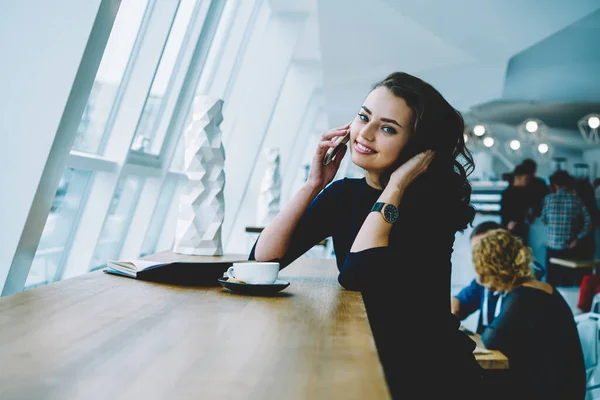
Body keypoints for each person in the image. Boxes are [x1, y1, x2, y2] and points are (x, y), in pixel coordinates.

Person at [249, 72, 483, 398]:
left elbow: (357, 275)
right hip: (370, 358)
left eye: (388, 128)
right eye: (363, 117)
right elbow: (262, 261)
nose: (366, 134)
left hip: (431, 373)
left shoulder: (432, 206)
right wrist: (314, 184)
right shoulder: (342, 195)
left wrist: (398, 185)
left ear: (416, 146)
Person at [473, 229, 586, 400]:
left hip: (551, 392)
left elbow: (491, 338)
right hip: (565, 388)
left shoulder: (521, 297)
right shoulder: (540, 288)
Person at [452, 221, 545, 334]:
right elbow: (458, 302)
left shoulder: (524, 286)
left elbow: (494, 338)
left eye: (484, 250)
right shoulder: (483, 281)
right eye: (476, 252)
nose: (479, 258)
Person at [542, 170, 592, 286]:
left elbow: (544, 220)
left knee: (551, 282)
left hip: (552, 246)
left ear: (555, 185)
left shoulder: (548, 199)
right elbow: (589, 222)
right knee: (567, 281)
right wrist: (578, 238)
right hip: (569, 246)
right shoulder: (576, 200)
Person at [500, 164, 532, 244]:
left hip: (521, 228)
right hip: (511, 229)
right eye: (526, 178)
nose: (528, 181)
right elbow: (504, 213)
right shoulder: (507, 193)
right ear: (518, 177)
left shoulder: (525, 192)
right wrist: (508, 225)